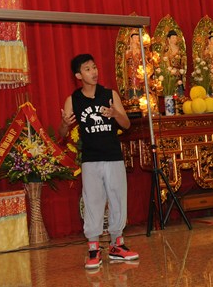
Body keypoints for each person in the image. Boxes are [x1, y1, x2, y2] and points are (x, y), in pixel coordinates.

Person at [59, 54, 139, 270]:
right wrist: (65, 124)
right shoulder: (73, 100)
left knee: (118, 198)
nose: (93, 72)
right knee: (93, 201)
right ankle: (94, 249)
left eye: (94, 67)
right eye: (87, 69)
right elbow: (62, 133)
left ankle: (117, 245)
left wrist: (114, 114)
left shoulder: (110, 95)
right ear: (78, 75)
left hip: (113, 156)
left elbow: (127, 124)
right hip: (91, 159)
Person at [124, 32, 144, 98]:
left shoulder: (141, 50)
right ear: (131, 39)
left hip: (139, 72)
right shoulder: (128, 51)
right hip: (131, 73)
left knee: (140, 88)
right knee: (132, 87)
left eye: (137, 37)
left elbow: (144, 61)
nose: (136, 39)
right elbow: (126, 61)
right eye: (134, 37)